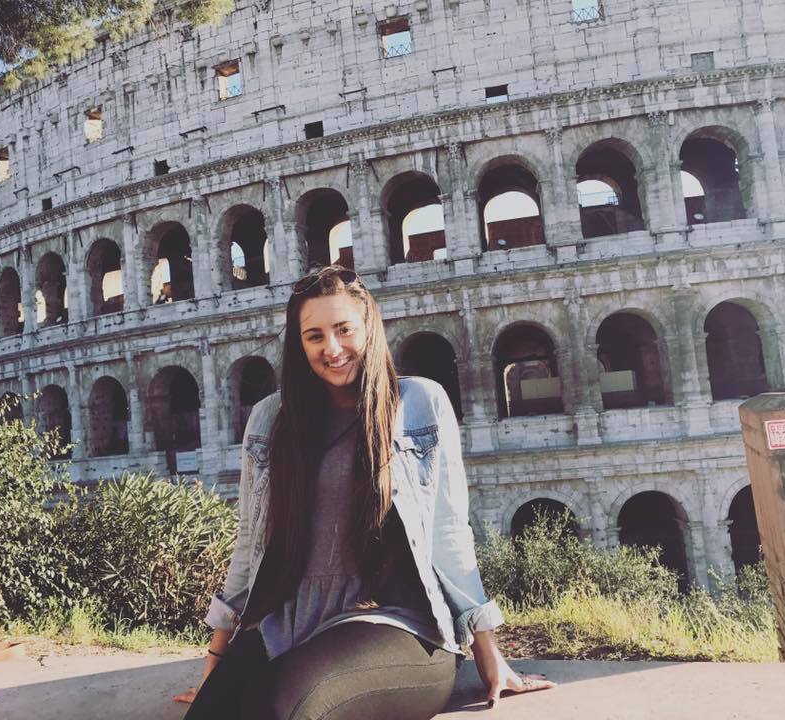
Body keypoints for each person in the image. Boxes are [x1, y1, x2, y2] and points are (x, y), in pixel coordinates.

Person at [174, 265, 554, 719]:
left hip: (399, 624)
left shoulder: (420, 403)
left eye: (344, 329)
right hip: (288, 622)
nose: (332, 348)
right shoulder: (271, 419)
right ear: (299, 344)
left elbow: (449, 531)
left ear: (368, 327)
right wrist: (216, 663)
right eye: (314, 336)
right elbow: (248, 542)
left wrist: (487, 651)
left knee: (286, 708)